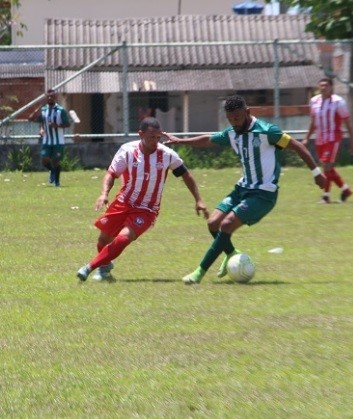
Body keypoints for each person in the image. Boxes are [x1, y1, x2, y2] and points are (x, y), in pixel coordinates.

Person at [164, 95, 326, 284]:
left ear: (247, 113)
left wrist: (316, 172)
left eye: (238, 118)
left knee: (226, 226)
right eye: (231, 119)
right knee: (213, 223)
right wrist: (181, 141)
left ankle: (199, 272)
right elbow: (209, 140)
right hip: (242, 189)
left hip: (263, 194)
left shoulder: (267, 132)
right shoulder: (232, 133)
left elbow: (296, 145)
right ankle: (231, 253)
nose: (235, 123)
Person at [76, 117, 208, 282]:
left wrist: (198, 199)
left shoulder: (167, 155)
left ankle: (89, 267)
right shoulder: (127, 150)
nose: (155, 141)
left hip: (147, 209)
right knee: (103, 239)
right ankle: (105, 268)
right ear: (141, 134)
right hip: (124, 201)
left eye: (157, 137)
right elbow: (111, 173)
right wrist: (104, 194)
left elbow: (186, 175)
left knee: (123, 238)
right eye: (150, 137)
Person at [301, 77, 353, 203]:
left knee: (327, 167)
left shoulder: (338, 102)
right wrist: (306, 138)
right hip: (320, 139)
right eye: (321, 85)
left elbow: (347, 122)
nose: (323, 87)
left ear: (331, 87)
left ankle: (325, 196)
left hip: (333, 138)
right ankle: (346, 190)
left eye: (326, 85)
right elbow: (313, 122)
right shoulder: (314, 101)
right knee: (328, 169)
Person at [29, 88, 72, 187]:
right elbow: (37, 120)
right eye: (48, 96)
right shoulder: (43, 109)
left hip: (58, 141)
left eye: (51, 96)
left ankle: (57, 183)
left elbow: (67, 124)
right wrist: (41, 129)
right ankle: (52, 171)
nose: (49, 98)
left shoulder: (60, 110)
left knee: (56, 161)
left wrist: (57, 125)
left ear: (55, 97)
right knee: (44, 160)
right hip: (47, 140)